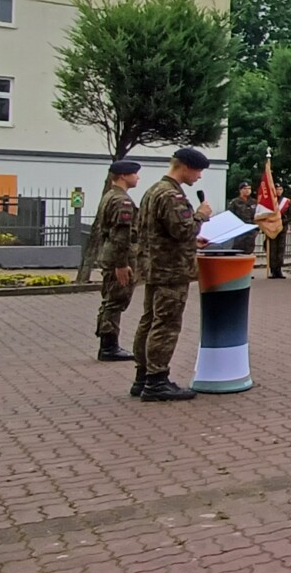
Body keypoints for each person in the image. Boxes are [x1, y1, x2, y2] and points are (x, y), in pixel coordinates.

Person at [128, 148, 213, 401]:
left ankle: (143, 377)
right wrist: (201, 216)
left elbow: (158, 231)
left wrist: (192, 242)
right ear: (185, 167)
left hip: (154, 267)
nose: (199, 176)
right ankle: (157, 381)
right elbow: (182, 229)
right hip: (171, 271)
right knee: (165, 324)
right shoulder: (172, 195)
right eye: (198, 171)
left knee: (149, 321)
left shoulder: (153, 190)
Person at [92, 160, 141, 362]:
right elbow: (121, 235)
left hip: (109, 254)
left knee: (110, 299)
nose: (138, 177)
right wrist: (122, 264)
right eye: (135, 173)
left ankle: (108, 343)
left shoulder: (109, 196)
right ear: (123, 176)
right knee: (116, 300)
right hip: (118, 257)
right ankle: (109, 346)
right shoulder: (122, 201)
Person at [228, 181, 257, 255]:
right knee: (238, 250)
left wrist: (256, 229)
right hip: (239, 230)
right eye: (245, 188)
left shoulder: (254, 202)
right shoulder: (235, 202)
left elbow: (257, 215)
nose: (247, 190)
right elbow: (230, 216)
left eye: (249, 188)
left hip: (251, 230)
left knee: (249, 250)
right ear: (240, 190)